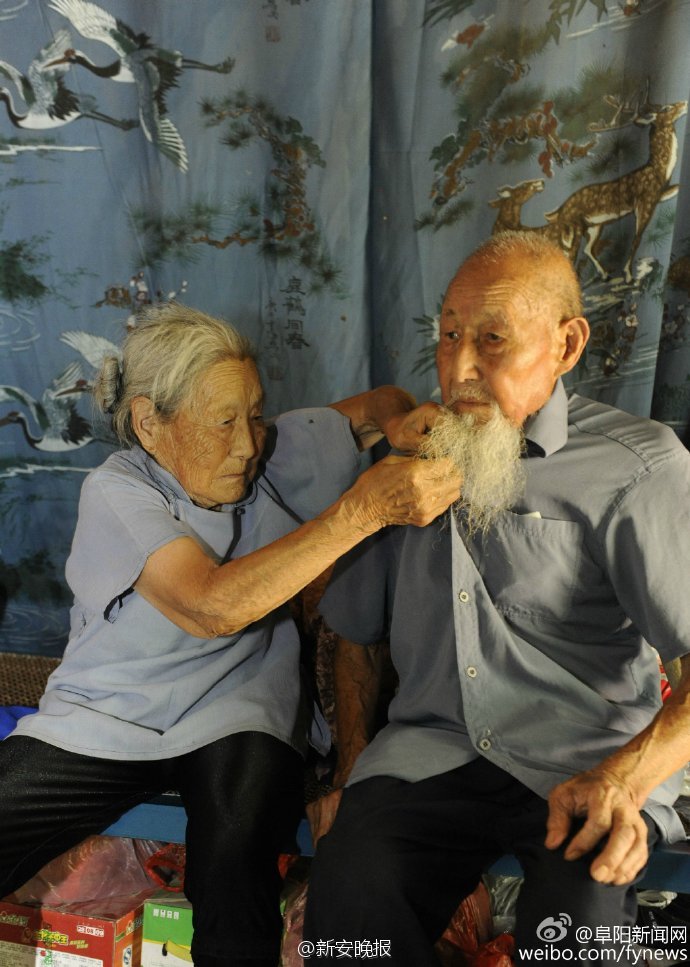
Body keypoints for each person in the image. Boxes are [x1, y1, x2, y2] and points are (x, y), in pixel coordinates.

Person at [0, 303, 461, 967]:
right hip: (107, 714)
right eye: (223, 421)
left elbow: (381, 402)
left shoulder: (273, 451)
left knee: (234, 858)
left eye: (254, 412)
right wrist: (358, 511)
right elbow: (209, 606)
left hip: (237, 714)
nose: (248, 442)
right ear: (148, 422)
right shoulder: (121, 490)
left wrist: (394, 421)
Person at [304, 232, 690, 965]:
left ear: (566, 343)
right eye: (448, 336)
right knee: (348, 906)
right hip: (430, 753)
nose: (460, 368)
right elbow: (355, 635)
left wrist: (626, 781)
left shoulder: (637, 467)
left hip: (586, 760)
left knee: (578, 934)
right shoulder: (405, 459)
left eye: (492, 339)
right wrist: (349, 773)